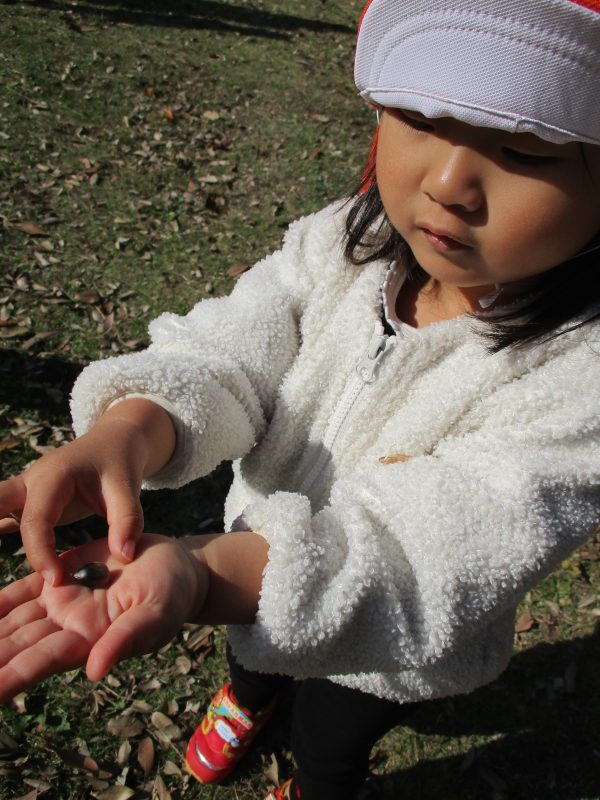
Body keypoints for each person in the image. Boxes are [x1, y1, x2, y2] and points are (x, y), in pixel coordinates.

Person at [1, 0, 600, 797]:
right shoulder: (345, 241)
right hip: (240, 569)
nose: (450, 182)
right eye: (418, 116)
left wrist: (205, 578)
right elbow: (235, 345)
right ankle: (251, 694)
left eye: (524, 148)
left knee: (331, 737)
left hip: (387, 649)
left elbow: (423, 554)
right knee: (250, 652)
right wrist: (133, 425)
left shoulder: (579, 379)